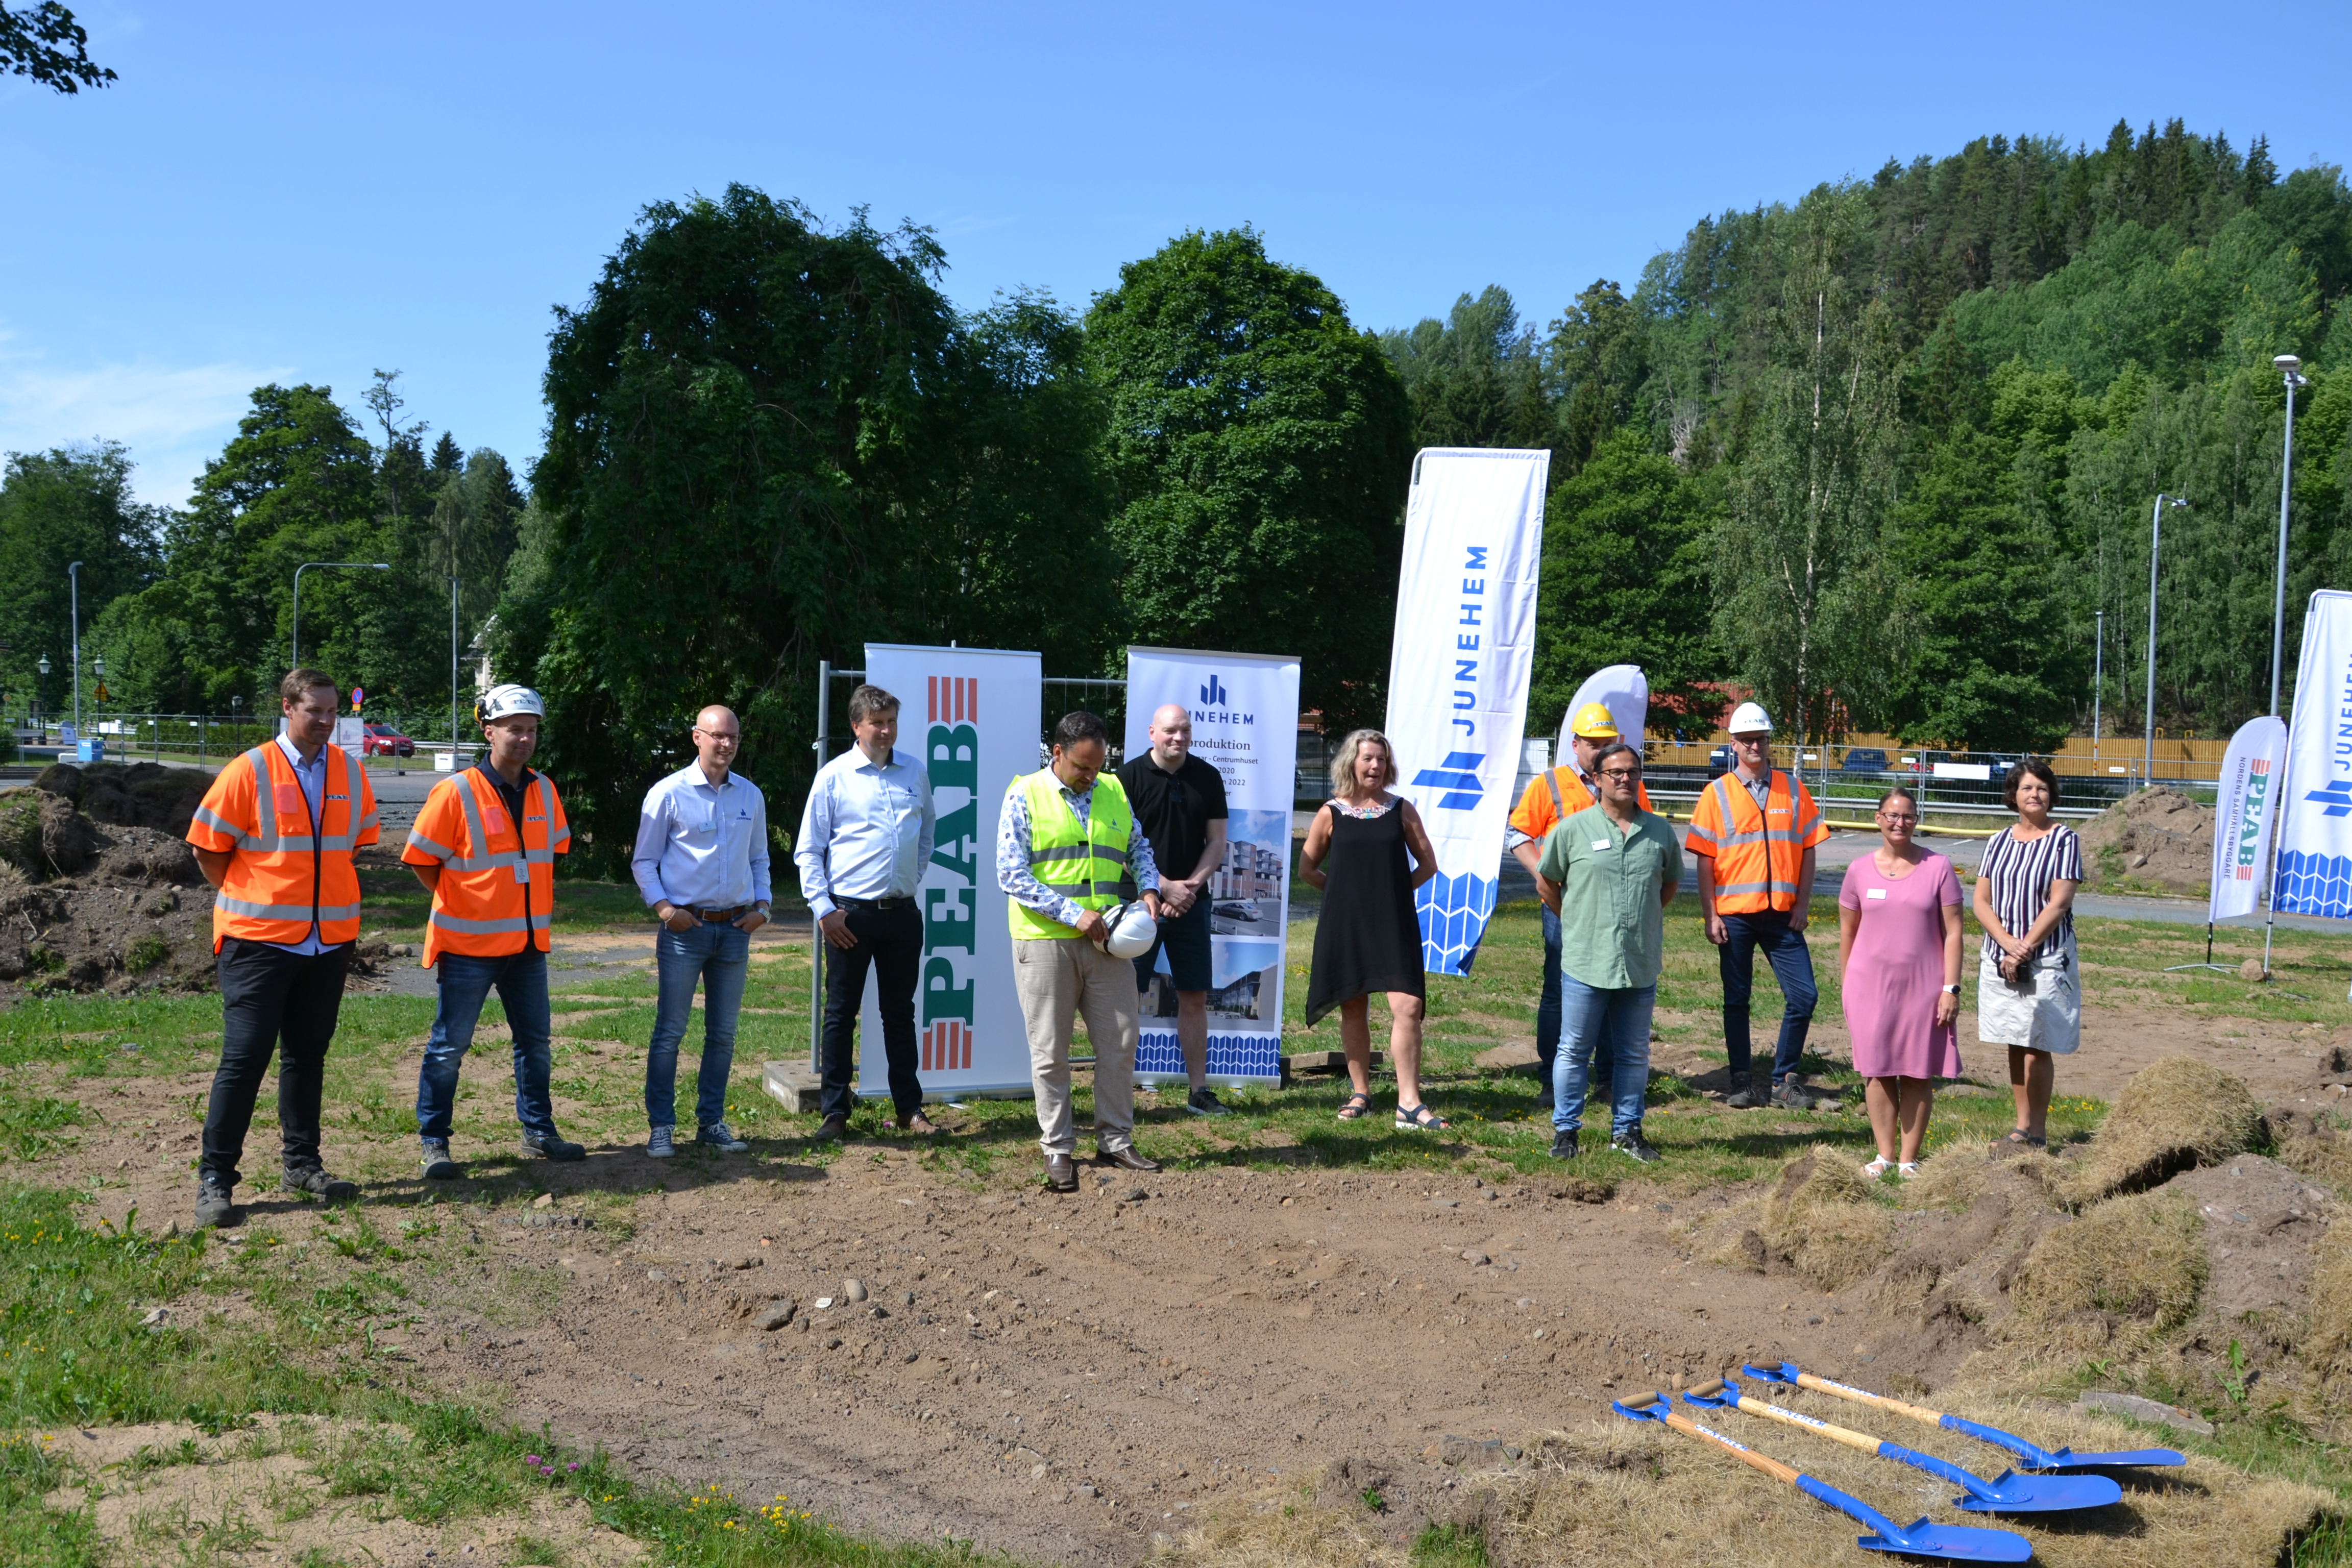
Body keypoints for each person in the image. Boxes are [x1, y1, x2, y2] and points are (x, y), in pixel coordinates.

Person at [183, 669, 381, 1227]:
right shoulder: (249, 770)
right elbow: (208, 849)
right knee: (244, 1060)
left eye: (331, 712)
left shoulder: (349, 771)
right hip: (257, 942)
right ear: (288, 708)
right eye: (313, 711)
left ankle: (302, 1164)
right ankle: (216, 1178)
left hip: (328, 942)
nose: (324, 721)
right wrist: (255, 896)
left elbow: (355, 846)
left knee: (306, 1056)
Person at [403, 684, 581, 1179]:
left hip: (527, 946)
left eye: (531, 730)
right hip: (468, 947)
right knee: (449, 1047)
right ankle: (434, 1142)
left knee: (535, 1043)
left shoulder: (544, 789)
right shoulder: (456, 791)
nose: (524, 739)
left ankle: (538, 1131)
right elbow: (422, 859)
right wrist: (460, 898)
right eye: (514, 730)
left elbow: (552, 855)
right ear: (489, 732)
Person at [998, 711, 1165, 1191]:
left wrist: (1149, 889)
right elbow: (1011, 874)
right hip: (1045, 940)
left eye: (1097, 765)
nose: (1090, 775)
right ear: (1057, 753)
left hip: (1108, 941)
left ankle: (1115, 1139)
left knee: (1120, 1042)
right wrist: (1073, 914)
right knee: (1050, 1051)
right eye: (1081, 766)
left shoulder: (1113, 789)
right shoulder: (1025, 793)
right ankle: (1058, 1149)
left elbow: (1139, 847)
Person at [796, 683, 936, 1141]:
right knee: (841, 1013)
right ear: (856, 726)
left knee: (899, 1014)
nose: (886, 730)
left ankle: (909, 1109)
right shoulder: (834, 777)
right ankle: (835, 1112)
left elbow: (928, 831)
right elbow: (809, 851)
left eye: (892, 721)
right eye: (877, 722)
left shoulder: (914, 772)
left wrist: (909, 880)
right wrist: (824, 909)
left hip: (902, 916)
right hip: (848, 918)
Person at [631, 704, 772, 1159]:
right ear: (697, 737)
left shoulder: (750, 796)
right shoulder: (668, 794)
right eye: (717, 735)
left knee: (723, 1034)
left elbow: (759, 859)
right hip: (684, 929)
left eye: (733, 736)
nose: (726, 743)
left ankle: (711, 1121)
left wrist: (764, 907)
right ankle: (662, 1126)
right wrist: (666, 909)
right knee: (670, 1031)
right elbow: (644, 861)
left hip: (734, 928)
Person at [1533, 742, 1680, 1162]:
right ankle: (1566, 1132)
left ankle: (1628, 1131)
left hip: (1638, 959)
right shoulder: (1572, 829)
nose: (1624, 779)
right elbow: (1547, 883)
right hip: (1585, 958)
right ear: (1596, 779)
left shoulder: (1659, 832)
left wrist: (1641, 921)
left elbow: (1667, 886)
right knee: (1574, 1049)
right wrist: (1577, 919)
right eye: (1615, 772)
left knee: (1634, 1052)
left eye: (1632, 772)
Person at [1505, 701, 1653, 1108]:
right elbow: (1517, 834)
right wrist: (1544, 875)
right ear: (1575, 745)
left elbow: (1649, 836)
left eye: (1607, 742)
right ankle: (1553, 1077)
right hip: (1564, 905)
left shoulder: (1627, 783)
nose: (1600, 749)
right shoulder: (1551, 783)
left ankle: (1608, 1078)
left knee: (1616, 987)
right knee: (1560, 989)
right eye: (1593, 743)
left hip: (1617, 908)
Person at [1686, 701, 1831, 1110]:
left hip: (1783, 917)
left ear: (1769, 743)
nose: (1755, 746)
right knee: (1737, 1000)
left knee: (1804, 995)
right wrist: (1710, 913)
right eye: (1747, 740)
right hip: (1734, 915)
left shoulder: (1793, 789)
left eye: (1761, 739)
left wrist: (1802, 904)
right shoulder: (1716, 794)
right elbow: (1705, 859)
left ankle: (1785, 1079)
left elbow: (1807, 849)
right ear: (1734, 744)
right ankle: (1742, 1080)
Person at [1301, 729, 1444, 1131]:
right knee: (1353, 1004)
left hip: (1393, 921)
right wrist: (1343, 894)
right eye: (1368, 759)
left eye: (1381, 759)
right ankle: (1361, 1092)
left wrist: (1394, 892)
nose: (1376, 766)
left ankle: (1409, 1103)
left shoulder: (1401, 809)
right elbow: (1307, 869)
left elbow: (1428, 864)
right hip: (1346, 924)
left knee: (1408, 1007)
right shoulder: (1331, 812)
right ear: (1352, 762)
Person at [1837, 788, 1963, 1179]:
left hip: (1924, 987)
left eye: (1907, 815)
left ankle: (1909, 1159)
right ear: (1878, 819)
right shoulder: (1858, 869)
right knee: (1877, 1069)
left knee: (1917, 1071)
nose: (1900, 822)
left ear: (1915, 820)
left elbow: (1955, 932)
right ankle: (1884, 1155)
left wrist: (1951, 988)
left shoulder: (1938, 867)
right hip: (1869, 988)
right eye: (1892, 815)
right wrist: (1847, 986)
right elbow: (1847, 932)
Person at [1116, 702, 1232, 1117]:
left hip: (1192, 906)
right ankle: (1118, 1091)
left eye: (1184, 731)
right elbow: (1118, 846)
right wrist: (1162, 885)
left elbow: (1217, 842)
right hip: (1137, 905)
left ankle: (1198, 1091)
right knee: (1125, 996)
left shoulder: (1208, 777)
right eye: (1169, 731)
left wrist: (1191, 888)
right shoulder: (1124, 779)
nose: (1178, 738)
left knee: (1195, 996)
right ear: (1152, 733)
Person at [1971, 758, 2081, 1150]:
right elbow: (1981, 901)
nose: (2034, 794)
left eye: (2041, 788)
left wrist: (2025, 947)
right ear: (2013, 796)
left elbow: (2060, 902)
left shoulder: (2064, 839)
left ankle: (2038, 1130)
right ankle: (2021, 1126)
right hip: (2001, 957)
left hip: (2046, 957)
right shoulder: (1998, 841)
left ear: (2051, 795)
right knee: (2014, 1041)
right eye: (2027, 788)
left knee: (2038, 1042)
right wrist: (2006, 944)